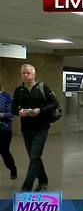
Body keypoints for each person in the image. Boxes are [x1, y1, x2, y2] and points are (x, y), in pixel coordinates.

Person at [11, 64, 59, 192]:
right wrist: (19, 112)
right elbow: (13, 108)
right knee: (34, 157)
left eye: (28, 73)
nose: (25, 75)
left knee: (34, 156)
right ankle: (43, 180)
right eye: (23, 73)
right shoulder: (19, 90)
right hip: (26, 129)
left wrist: (40, 110)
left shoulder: (43, 87)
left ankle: (26, 187)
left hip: (41, 128)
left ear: (34, 74)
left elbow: (55, 103)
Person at [0, 82, 17, 179]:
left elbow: (11, 114)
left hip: (4, 130)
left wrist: (0, 115)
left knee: (4, 152)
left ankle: (12, 169)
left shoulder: (6, 97)